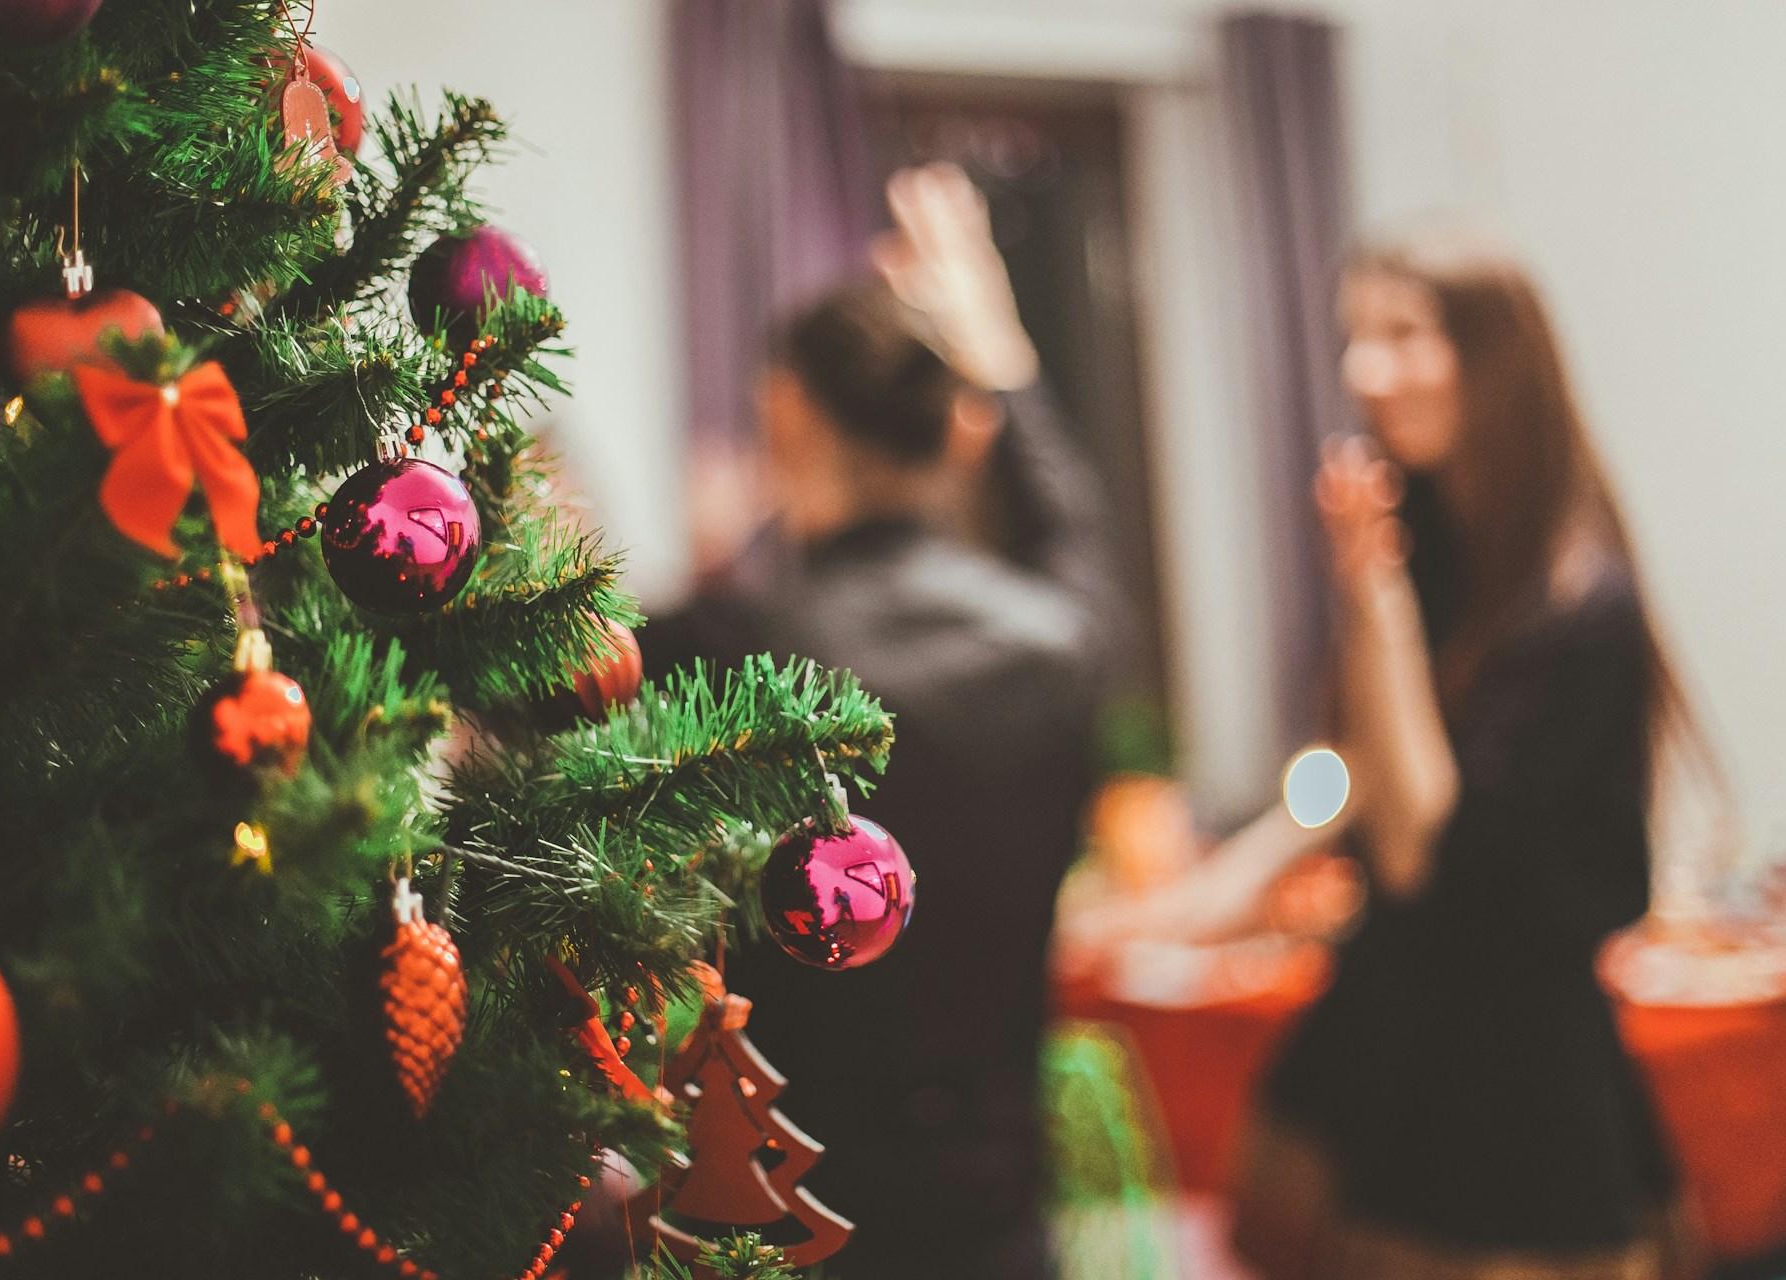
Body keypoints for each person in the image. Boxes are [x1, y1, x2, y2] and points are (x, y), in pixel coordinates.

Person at [1140, 228, 1703, 1279]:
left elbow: (1413, 844)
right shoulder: (1438, 547)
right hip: (1397, 1053)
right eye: (1356, 336)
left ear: (1496, 358)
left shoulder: (1579, 608)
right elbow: (1353, 768)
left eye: (1403, 334)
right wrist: (1218, 884)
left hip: (1516, 1104)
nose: (1363, 371)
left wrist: (1376, 596)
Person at [645, 164, 1129, 1279]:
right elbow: (1073, 527)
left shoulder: (726, 645)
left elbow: (530, 684)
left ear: (788, 414)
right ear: (958, 431)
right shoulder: (1064, 640)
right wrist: (1004, 364)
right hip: (997, 1213)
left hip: (787, 1208)